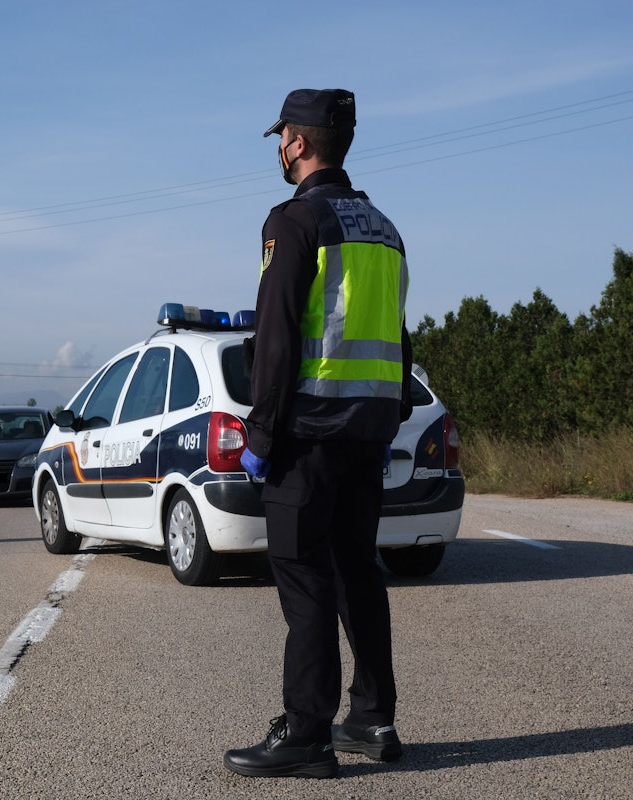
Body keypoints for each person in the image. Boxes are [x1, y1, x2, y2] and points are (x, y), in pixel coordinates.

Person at [223, 89, 413, 779]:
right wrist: (387, 418)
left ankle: (306, 734)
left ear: (298, 144)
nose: (279, 147)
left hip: (307, 435)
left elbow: (275, 339)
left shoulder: (293, 221)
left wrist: (261, 436)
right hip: (367, 432)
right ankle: (372, 719)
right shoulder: (385, 229)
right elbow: (398, 333)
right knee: (358, 573)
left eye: (282, 137)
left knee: (304, 582)